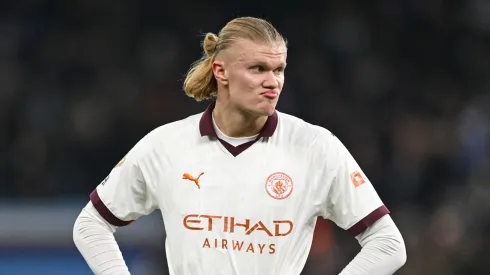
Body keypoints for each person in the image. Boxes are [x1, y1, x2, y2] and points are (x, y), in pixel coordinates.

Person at [73, 16, 406, 275]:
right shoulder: (167, 145)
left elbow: (388, 244)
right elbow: (91, 224)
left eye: (279, 70)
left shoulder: (315, 146)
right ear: (221, 71)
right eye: (258, 69)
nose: (272, 81)